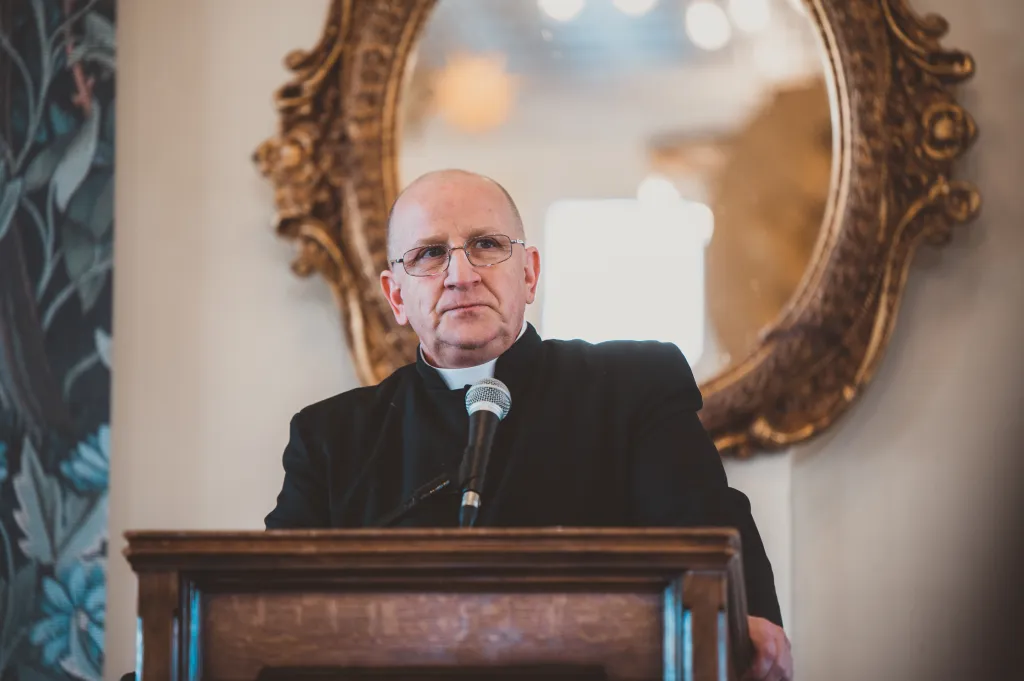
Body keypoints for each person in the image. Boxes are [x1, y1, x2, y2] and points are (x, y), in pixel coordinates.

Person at [266, 169, 794, 681]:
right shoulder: (331, 439)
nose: (461, 275)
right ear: (397, 296)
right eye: (429, 254)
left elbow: (712, 541)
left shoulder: (632, 388)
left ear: (530, 273)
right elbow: (270, 612)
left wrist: (748, 622)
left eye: (487, 245)